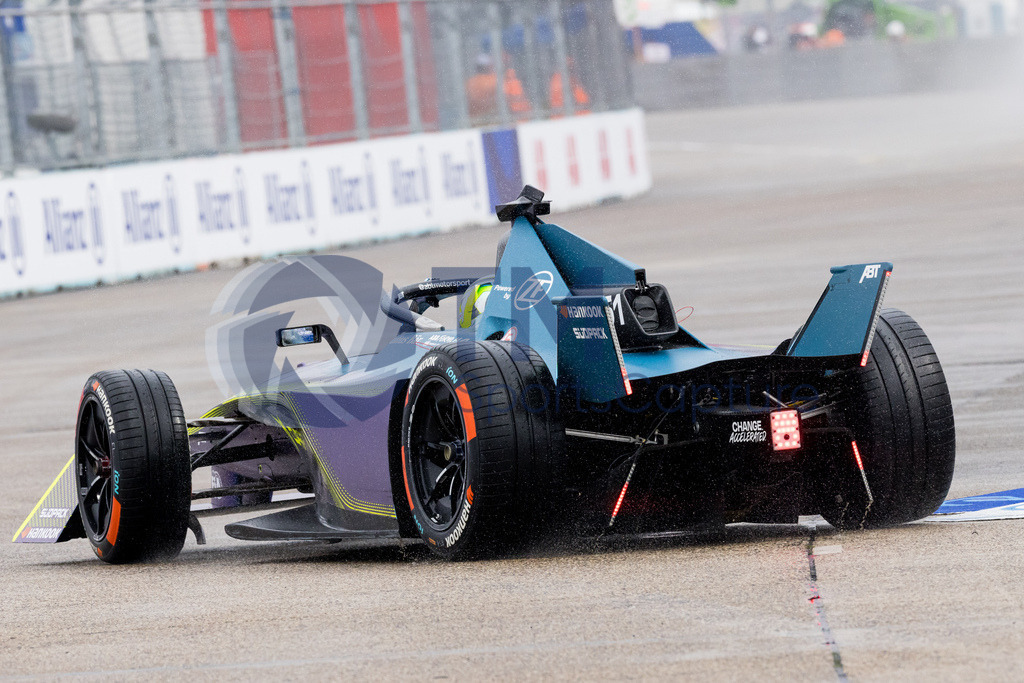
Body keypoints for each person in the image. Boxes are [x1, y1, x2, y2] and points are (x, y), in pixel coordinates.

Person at [466, 53, 531, 120]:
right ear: (488, 66)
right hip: (501, 117)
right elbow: (503, 98)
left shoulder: (470, 82)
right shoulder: (494, 80)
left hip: (477, 119)